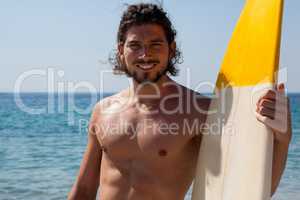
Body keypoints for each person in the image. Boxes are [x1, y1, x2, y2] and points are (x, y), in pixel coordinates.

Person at [68, 3, 292, 200]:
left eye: (156, 44)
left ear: (171, 49)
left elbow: (253, 188)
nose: (145, 54)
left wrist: (282, 138)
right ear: (121, 51)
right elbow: (84, 189)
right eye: (135, 45)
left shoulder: (199, 111)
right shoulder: (102, 111)